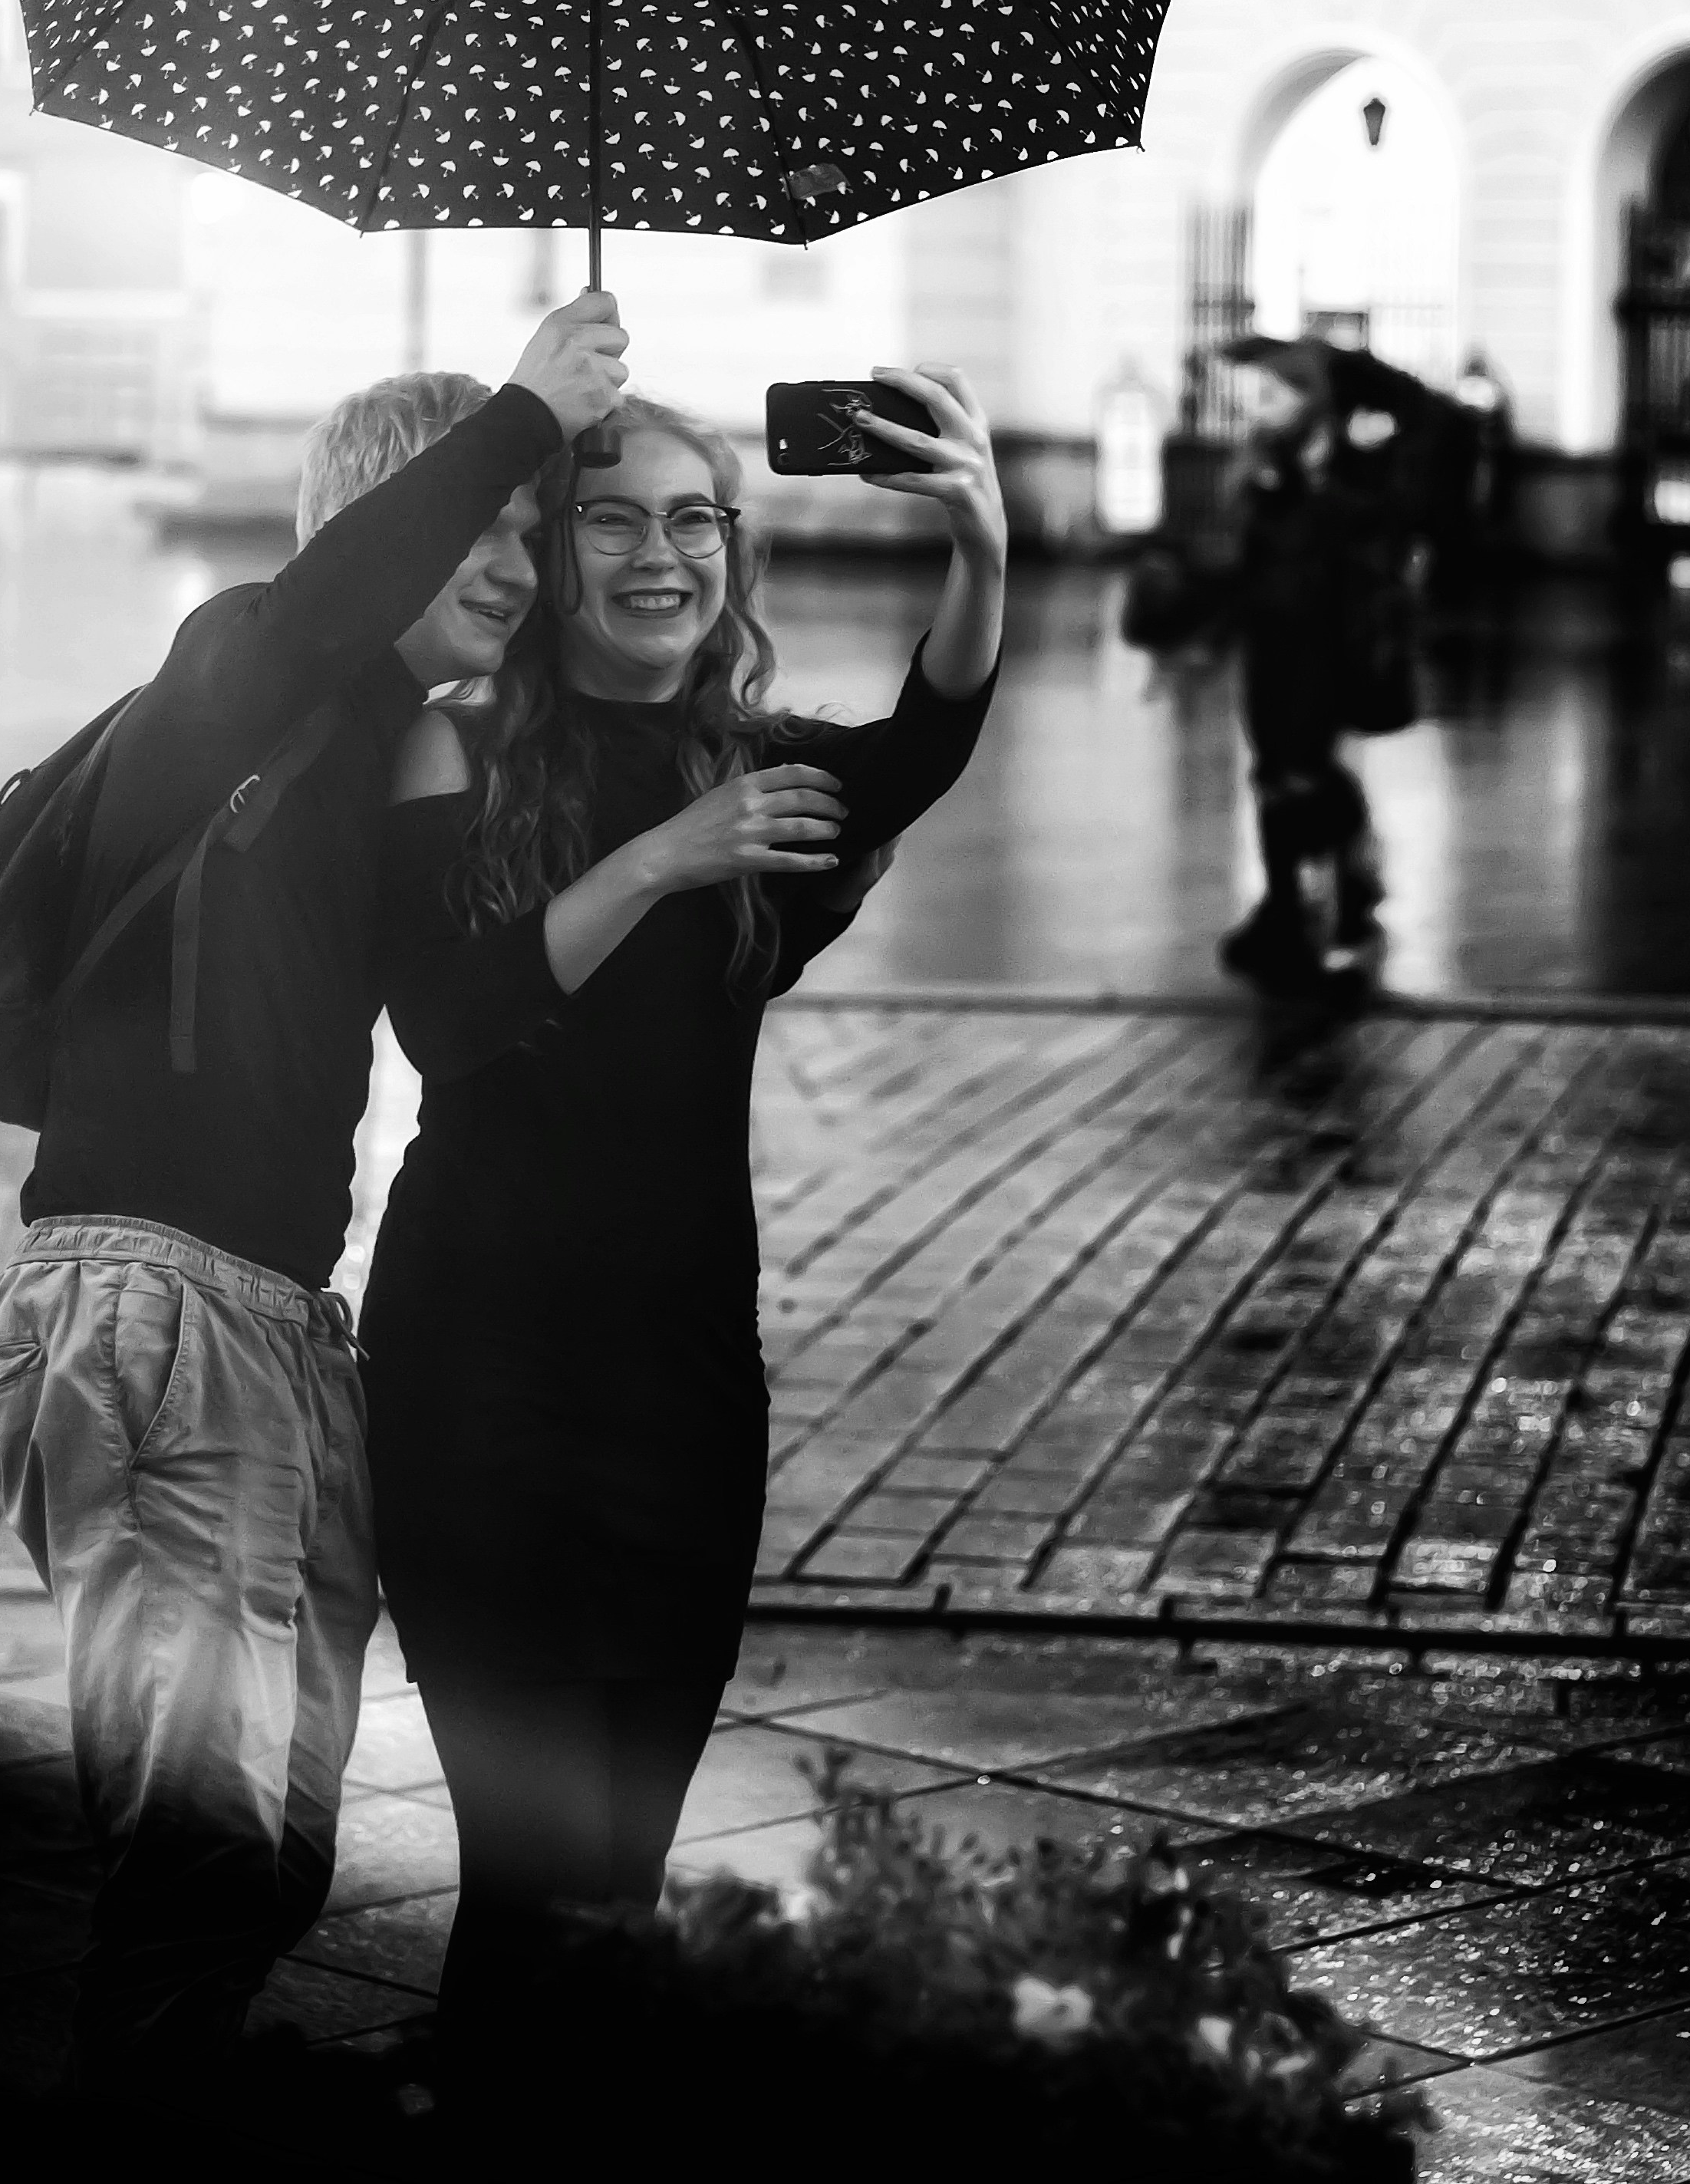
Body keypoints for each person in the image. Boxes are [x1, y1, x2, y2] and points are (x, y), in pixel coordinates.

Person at [0, 292, 630, 2091]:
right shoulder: (237, 669)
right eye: (484, 523)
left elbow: (457, 1002)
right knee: (204, 1842)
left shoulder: (382, 732)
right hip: (150, 1298)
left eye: (528, 533)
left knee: (275, 1844)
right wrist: (520, 409)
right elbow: (335, 600)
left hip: (268, 1323)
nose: (516, 558)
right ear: (381, 521)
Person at [356, 364, 1006, 2111]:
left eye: (699, 516)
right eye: (617, 514)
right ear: (556, 553)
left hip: (681, 1373)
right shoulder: (456, 742)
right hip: (474, 1363)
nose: (665, 550)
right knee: (525, 1850)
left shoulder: (763, 774)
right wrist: (666, 855)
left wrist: (979, 533)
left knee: (627, 1844)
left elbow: (924, 744)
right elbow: (450, 1017)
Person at [1214, 334, 1432, 997]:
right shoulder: (1259, 471)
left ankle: (1345, 910)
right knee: (1273, 773)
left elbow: (1385, 543)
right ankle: (1287, 905)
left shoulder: (1357, 470)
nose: (1260, 409)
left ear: (1312, 400)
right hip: (1270, 648)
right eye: (1256, 396)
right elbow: (1237, 559)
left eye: (1274, 395)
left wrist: (1363, 472)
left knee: (1308, 774)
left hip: (1331, 649)